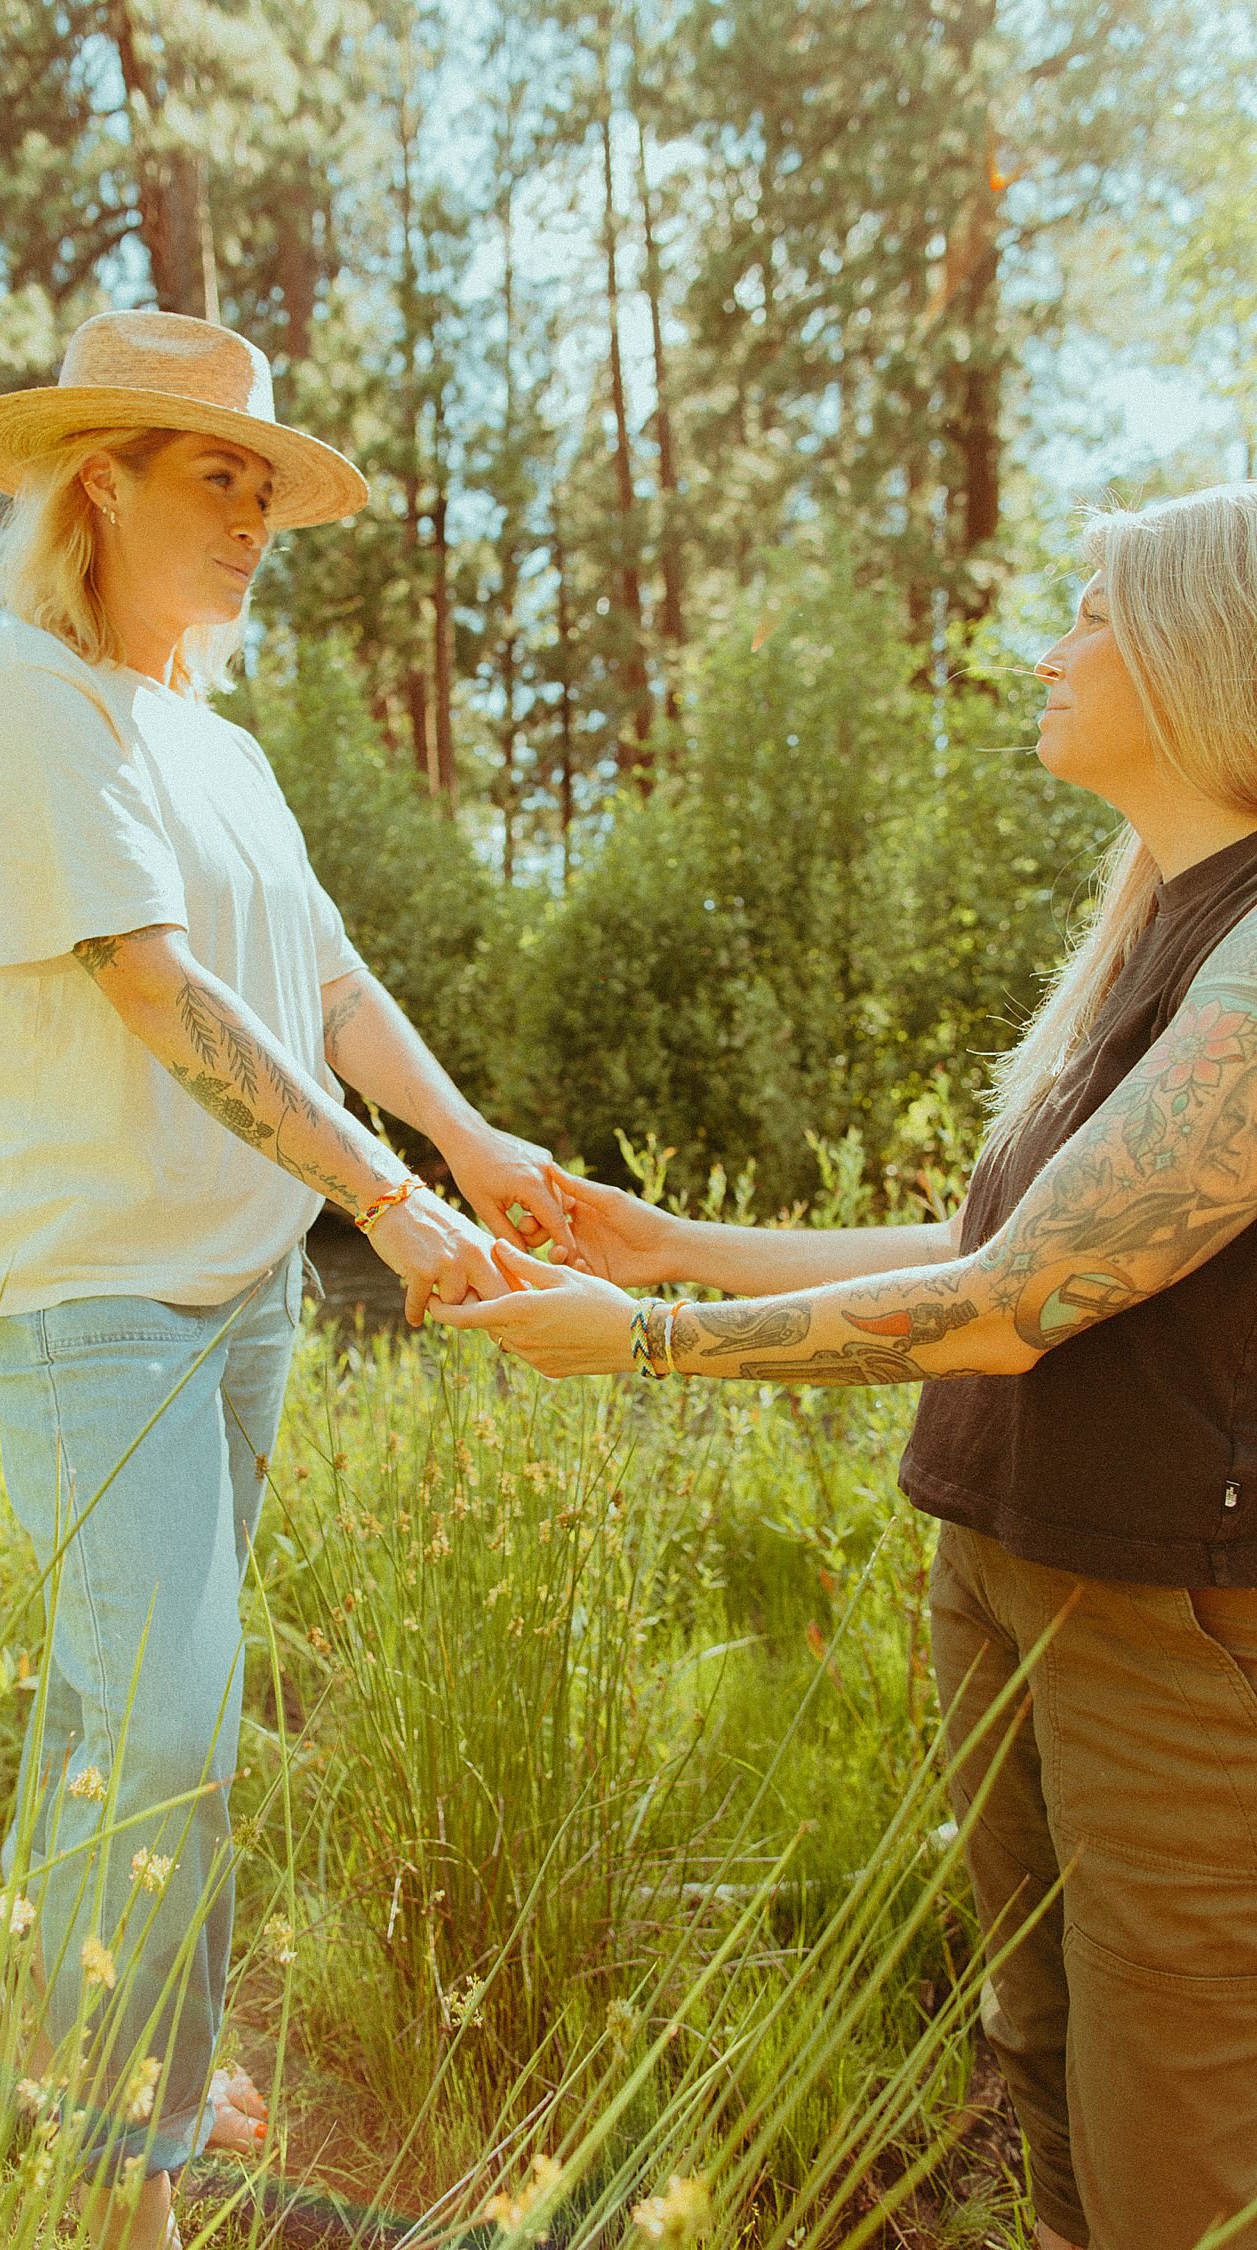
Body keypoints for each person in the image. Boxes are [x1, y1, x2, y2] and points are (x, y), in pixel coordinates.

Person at [433, 484, 1257, 2250]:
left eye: (1095, 613)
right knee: (1033, 2048)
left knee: (1179, 2114)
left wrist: (648, 1344)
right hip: (1010, 1571)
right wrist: (676, 1246)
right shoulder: (1147, 937)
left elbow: (1014, 1304)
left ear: (1207, 657)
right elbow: (969, 1256)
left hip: (1168, 1635)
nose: (1052, 647)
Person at [0, 307, 573, 2250]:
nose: (260, 518)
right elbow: (159, 988)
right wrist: (391, 1207)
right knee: (169, 1721)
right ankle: (123, 2175)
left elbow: (331, 980)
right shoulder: (17, 695)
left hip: (244, 1294)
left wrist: (475, 1145)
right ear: (99, 482)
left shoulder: (218, 740)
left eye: (273, 487)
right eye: (225, 476)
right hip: (97, 1289)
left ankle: (123, 2057)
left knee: (132, 1717)